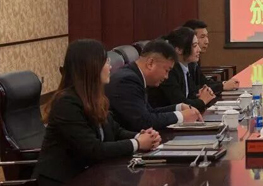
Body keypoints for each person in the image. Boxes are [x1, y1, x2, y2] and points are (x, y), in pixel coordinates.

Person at [34, 40, 161, 185]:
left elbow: (115, 131)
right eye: (106, 62)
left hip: (91, 175)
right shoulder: (66, 103)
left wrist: (142, 136)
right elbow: (93, 149)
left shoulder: (95, 97)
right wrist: (137, 143)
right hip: (64, 180)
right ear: (91, 66)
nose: (110, 67)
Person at [106, 39, 203, 131]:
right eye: (166, 70)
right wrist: (181, 116)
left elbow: (150, 112)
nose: (166, 77)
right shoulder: (127, 81)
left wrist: (179, 107)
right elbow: (143, 121)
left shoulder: (136, 75)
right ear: (150, 63)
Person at [147, 27, 216, 112]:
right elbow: (181, 103)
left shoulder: (187, 67)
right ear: (179, 49)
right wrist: (202, 101)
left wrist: (201, 93)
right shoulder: (170, 71)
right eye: (194, 46)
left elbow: (191, 94)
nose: (199, 49)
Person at [183, 19, 238, 94]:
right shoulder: (185, 62)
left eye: (207, 36)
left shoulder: (194, 60)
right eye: (202, 37)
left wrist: (224, 83)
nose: (207, 42)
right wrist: (222, 86)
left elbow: (204, 83)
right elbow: (193, 90)